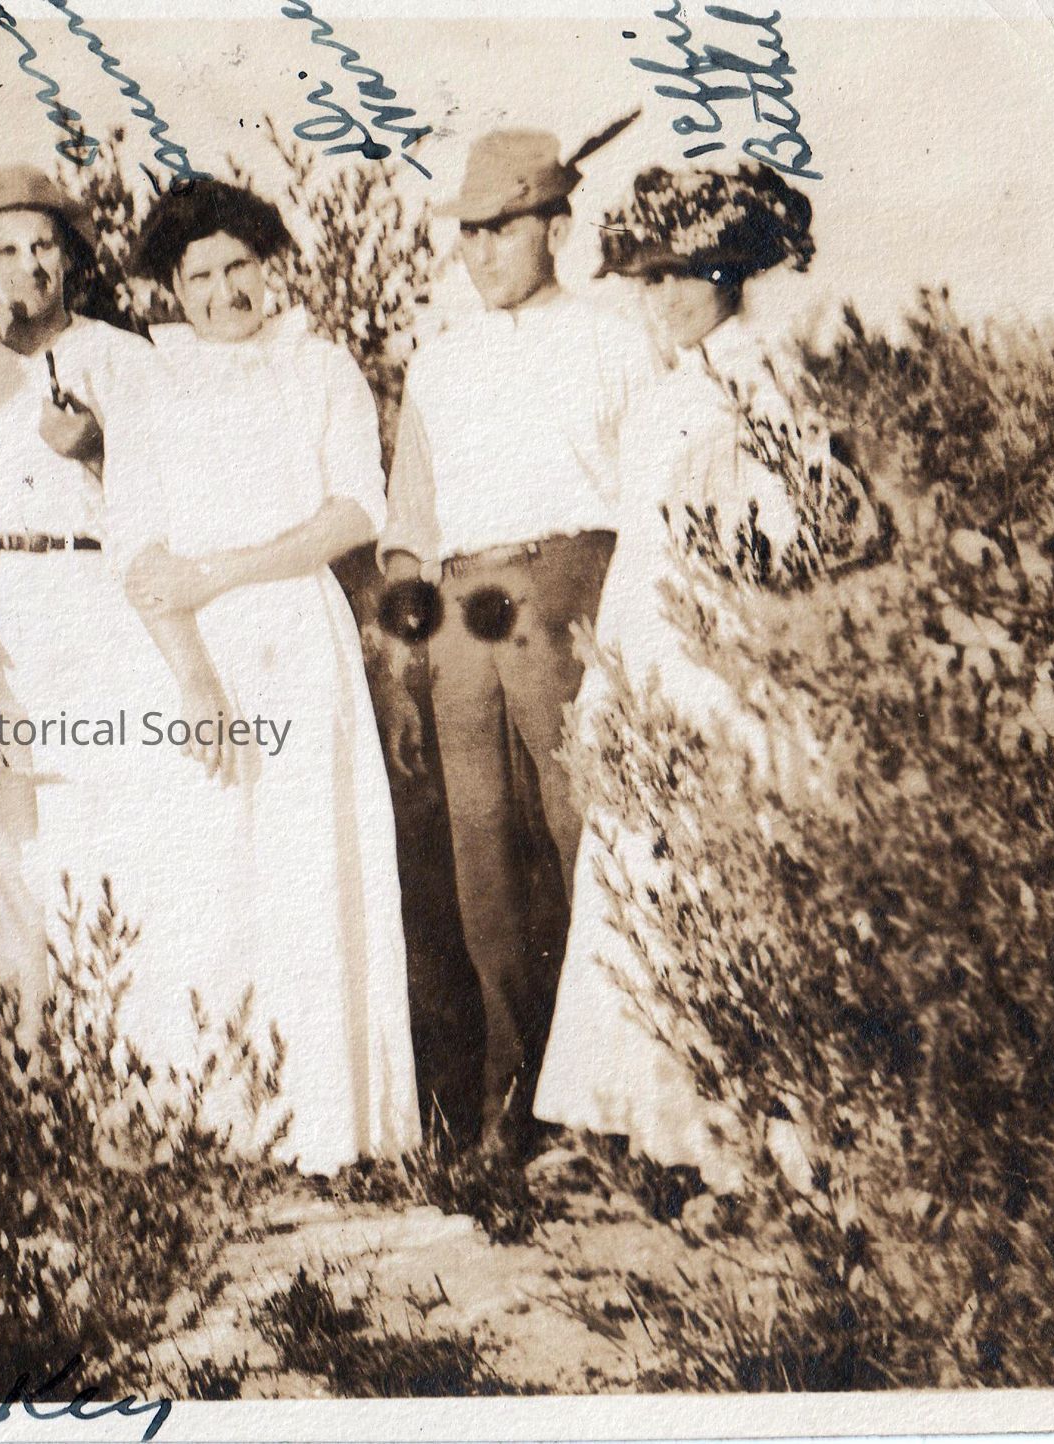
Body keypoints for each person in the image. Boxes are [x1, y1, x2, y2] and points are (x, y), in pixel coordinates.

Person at [76, 181, 419, 1176]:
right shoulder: (149, 384)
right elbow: (138, 549)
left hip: (297, 634)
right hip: (188, 651)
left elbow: (355, 510)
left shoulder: (318, 367)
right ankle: (214, 1120)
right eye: (201, 276)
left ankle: (326, 1124)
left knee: (307, 863)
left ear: (268, 268)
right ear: (172, 288)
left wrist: (223, 571)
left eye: (239, 268)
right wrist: (194, 682)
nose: (224, 292)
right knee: (205, 870)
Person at [534, 164, 817, 1190]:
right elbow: (636, 558)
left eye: (681, 275)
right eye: (646, 280)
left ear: (730, 272)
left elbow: (784, 542)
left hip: (722, 660)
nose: (660, 298)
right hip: (650, 653)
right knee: (639, 873)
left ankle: (737, 1146)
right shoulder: (663, 397)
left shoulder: (767, 382)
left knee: (716, 873)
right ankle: (644, 1131)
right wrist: (607, 682)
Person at [376, 117, 649, 1153]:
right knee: (483, 862)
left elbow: (651, 497)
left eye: (503, 228)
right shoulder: (439, 363)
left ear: (556, 228)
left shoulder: (616, 340)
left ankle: (614, 1101)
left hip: (569, 585)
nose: (482, 250)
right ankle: (512, 1098)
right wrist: (407, 652)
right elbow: (410, 526)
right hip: (460, 611)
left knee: (587, 838)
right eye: (469, 231)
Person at [0, 166, 167, 1025]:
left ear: (70, 257)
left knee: (105, 830)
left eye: (44, 246)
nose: (29, 267)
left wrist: (96, 451)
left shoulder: (125, 358)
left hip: (100, 603)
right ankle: (27, 1067)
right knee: (1, 850)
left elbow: (176, 501)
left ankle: (118, 1058)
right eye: (7, 250)